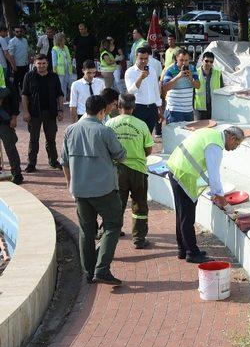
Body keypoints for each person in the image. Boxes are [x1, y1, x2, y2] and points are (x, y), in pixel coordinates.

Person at [61, 95, 126, 286]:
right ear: (102, 111)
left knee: (86, 231)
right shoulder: (104, 131)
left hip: (79, 190)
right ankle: (102, 270)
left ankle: (88, 272)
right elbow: (121, 155)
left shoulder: (70, 130)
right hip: (104, 189)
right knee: (113, 226)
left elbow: (64, 161)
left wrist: (70, 184)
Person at [166, 125, 244, 262]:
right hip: (184, 175)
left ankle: (183, 249)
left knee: (181, 214)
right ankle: (192, 253)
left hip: (176, 168)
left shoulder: (209, 133)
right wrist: (223, 202)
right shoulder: (215, 146)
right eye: (236, 144)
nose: (235, 148)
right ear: (231, 137)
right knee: (187, 217)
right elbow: (214, 177)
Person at [106, 93, 154, 249]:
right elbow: (148, 149)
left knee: (116, 204)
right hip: (138, 170)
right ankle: (139, 239)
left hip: (116, 170)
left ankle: (112, 232)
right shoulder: (141, 125)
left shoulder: (110, 124)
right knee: (139, 204)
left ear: (118, 106)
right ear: (134, 107)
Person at [21, 54, 64, 173]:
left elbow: (59, 94)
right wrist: (25, 112)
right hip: (34, 113)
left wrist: (60, 110)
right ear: (34, 63)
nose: (41, 65)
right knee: (33, 139)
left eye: (44, 63)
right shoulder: (29, 76)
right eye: (39, 63)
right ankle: (31, 164)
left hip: (50, 113)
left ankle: (53, 162)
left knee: (51, 139)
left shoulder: (53, 76)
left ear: (47, 64)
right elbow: (24, 95)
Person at [124, 46, 163, 133]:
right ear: (136, 57)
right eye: (141, 58)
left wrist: (159, 108)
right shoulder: (130, 72)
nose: (143, 61)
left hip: (152, 108)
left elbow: (156, 90)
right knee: (137, 135)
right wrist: (141, 78)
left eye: (146, 58)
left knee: (148, 136)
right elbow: (130, 91)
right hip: (137, 108)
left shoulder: (152, 70)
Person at [162, 49, 199, 123]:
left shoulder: (192, 68)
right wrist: (178, 77)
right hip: (174, 110)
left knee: (189, 134)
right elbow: (165, 88)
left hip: (189, 110)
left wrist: (191, 78)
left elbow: (198, 86)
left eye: (186, 60)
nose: (184, 63)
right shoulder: (170, 70)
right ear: (176, 59)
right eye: (181, 60)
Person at [0, 86, 23, 184]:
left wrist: (14, 117)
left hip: (4, 121)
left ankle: (17, 174)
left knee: (10, 148)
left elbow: (14, 99)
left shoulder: (5, 80)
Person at [194, 52, 222, 120]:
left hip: (213, 107)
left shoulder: (218, 73)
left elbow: (222, 90)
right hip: (200, 108)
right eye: (206, 61)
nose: (209, 63)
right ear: (202, 60)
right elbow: (192, 92)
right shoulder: (195, 73)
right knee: (200, 129)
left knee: (213, 128)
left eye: (211, 62)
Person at [51, 32, 74, 102]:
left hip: (68, 69)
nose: (65, 40)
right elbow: (54, 61)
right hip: (59, 71)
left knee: (70, 84)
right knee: (61, 86)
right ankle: (62, 100)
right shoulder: (54, 49)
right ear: (60, 40)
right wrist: (55, 72)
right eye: (64, 39)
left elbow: (68, 58)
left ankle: (69, 98)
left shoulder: (66, 47)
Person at [8, 26, 29, 93]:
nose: (19, 33)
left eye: (20, 31)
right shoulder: (12, 41)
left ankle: (24, 95)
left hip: (25, 64)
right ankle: (16, 97)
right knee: (16, 82)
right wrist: (14, 66)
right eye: (17, 31)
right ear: (14, 32)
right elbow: (11, 55)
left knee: (24, 81)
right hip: (17, 65)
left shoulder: (25, 40)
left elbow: (26, 51)